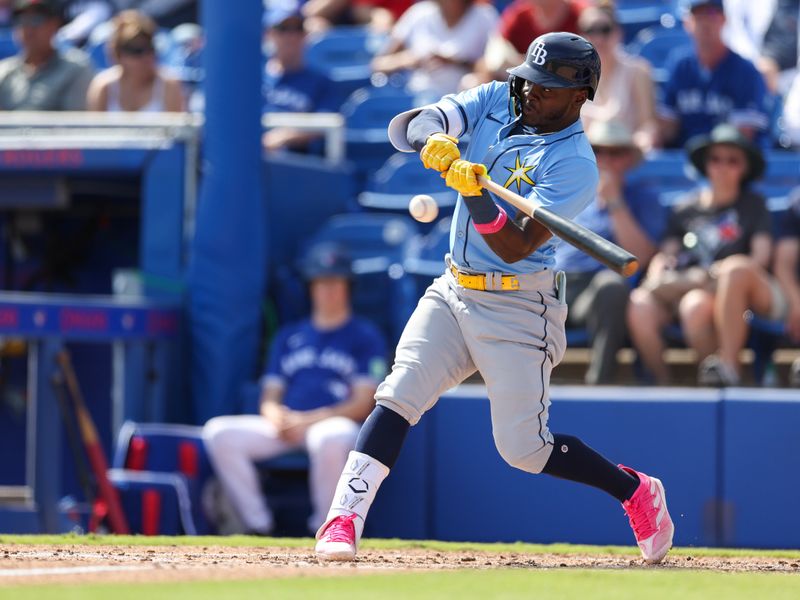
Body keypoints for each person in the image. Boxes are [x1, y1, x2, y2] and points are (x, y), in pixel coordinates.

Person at [314, 32, 674, 565]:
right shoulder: (498, 97)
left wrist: (476, 192)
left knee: (524, 450)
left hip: (519, 306)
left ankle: (635, 491)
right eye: (530, 80)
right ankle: (342, 517)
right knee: (400, 391)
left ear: (580, 96)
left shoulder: (575, 164)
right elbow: (416, 123)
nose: (532, 93)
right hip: (454, 287)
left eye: (548, 88)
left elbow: (513, 246)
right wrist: (435, 141)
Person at [203, 242, 388, 535]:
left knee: (332, 437)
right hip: (287, 427)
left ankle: (329, 529)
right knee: (219, 433)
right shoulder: (290, 336)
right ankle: (257, 526)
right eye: (321, 282)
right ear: (311, 287)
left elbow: (363, 403)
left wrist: (307, 420)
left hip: (331, 424)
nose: (328, 290)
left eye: (335, 282)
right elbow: (271, 393)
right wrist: (275, 414)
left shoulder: (364, 336)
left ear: (348, 287)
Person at [627, 124, 782, 386]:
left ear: (743, 168)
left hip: (727, 292)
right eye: (716, 159)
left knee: (696, 304)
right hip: (685, 284)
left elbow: (759, 258)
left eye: (732, 160)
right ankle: (662, 384)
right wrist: (659, 278)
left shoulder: (754, 204)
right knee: (640, 303)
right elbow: (666, 254)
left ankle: (720, 379)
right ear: (706, 164)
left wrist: (710, 277)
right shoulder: (684, 208)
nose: (722, 166)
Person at [555, 120, 664, 384]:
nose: (605, 159)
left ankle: (598, 383)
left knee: (611, 286)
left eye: (615, 153)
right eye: (598, 150)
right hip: (553, 284)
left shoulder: (643, 197)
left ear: (628, 158)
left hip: (596, 290)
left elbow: (642, 255)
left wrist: (614, 201)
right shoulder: (564, 191)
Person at [657, 0, 770, 149]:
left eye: (711, 13)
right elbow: (667, 127)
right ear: (687, 23)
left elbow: (744, 136)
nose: (705, 22)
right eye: (698, 15)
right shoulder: (679, 65)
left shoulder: (746, 71)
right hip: (684, 160)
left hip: (729, 163)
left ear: (724, 20)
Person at [371, 0, 499, 99]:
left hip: (467, 104)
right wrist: (408, 59)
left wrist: (459, 62)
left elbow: (496, 68)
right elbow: (379, 64)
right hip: (417, 99)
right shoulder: (418, 13)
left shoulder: (485, 16)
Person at [577, 3, 657, 153]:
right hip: (585, 161)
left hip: (625, 158)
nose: (599, 38)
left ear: (618, 33)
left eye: (605, 30)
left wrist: (631, 152)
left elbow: (647, 127)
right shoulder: (570, 78)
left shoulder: (638, 71)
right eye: (591, 31)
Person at [261, 1, 338, 153]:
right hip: (249, 157)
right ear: (268, 34)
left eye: (297, 28)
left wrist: (284, 136)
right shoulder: (251, 79)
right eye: (283, 29)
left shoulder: (321, 81)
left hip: (297, 165)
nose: (291, 36)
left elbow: (328, 123)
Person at [464, 0, 588, 87]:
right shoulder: (519, 14)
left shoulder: (581, 14)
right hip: (524, 87)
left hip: (567, 88)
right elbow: (493, 60)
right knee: (471, 83)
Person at [0, 0, 95, 110]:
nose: (28, 29)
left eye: (36, 20)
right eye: (22, 21)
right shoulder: (4, 71)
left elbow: (75, 123)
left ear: (54, 25)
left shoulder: (76, 69)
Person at [86, 10, 185, 112]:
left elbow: (175, 127)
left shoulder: (169, 85)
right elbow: (96, 127)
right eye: (136, 51)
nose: (146, 56)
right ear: (119, 54)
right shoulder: (103, 86)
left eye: (150, 48)